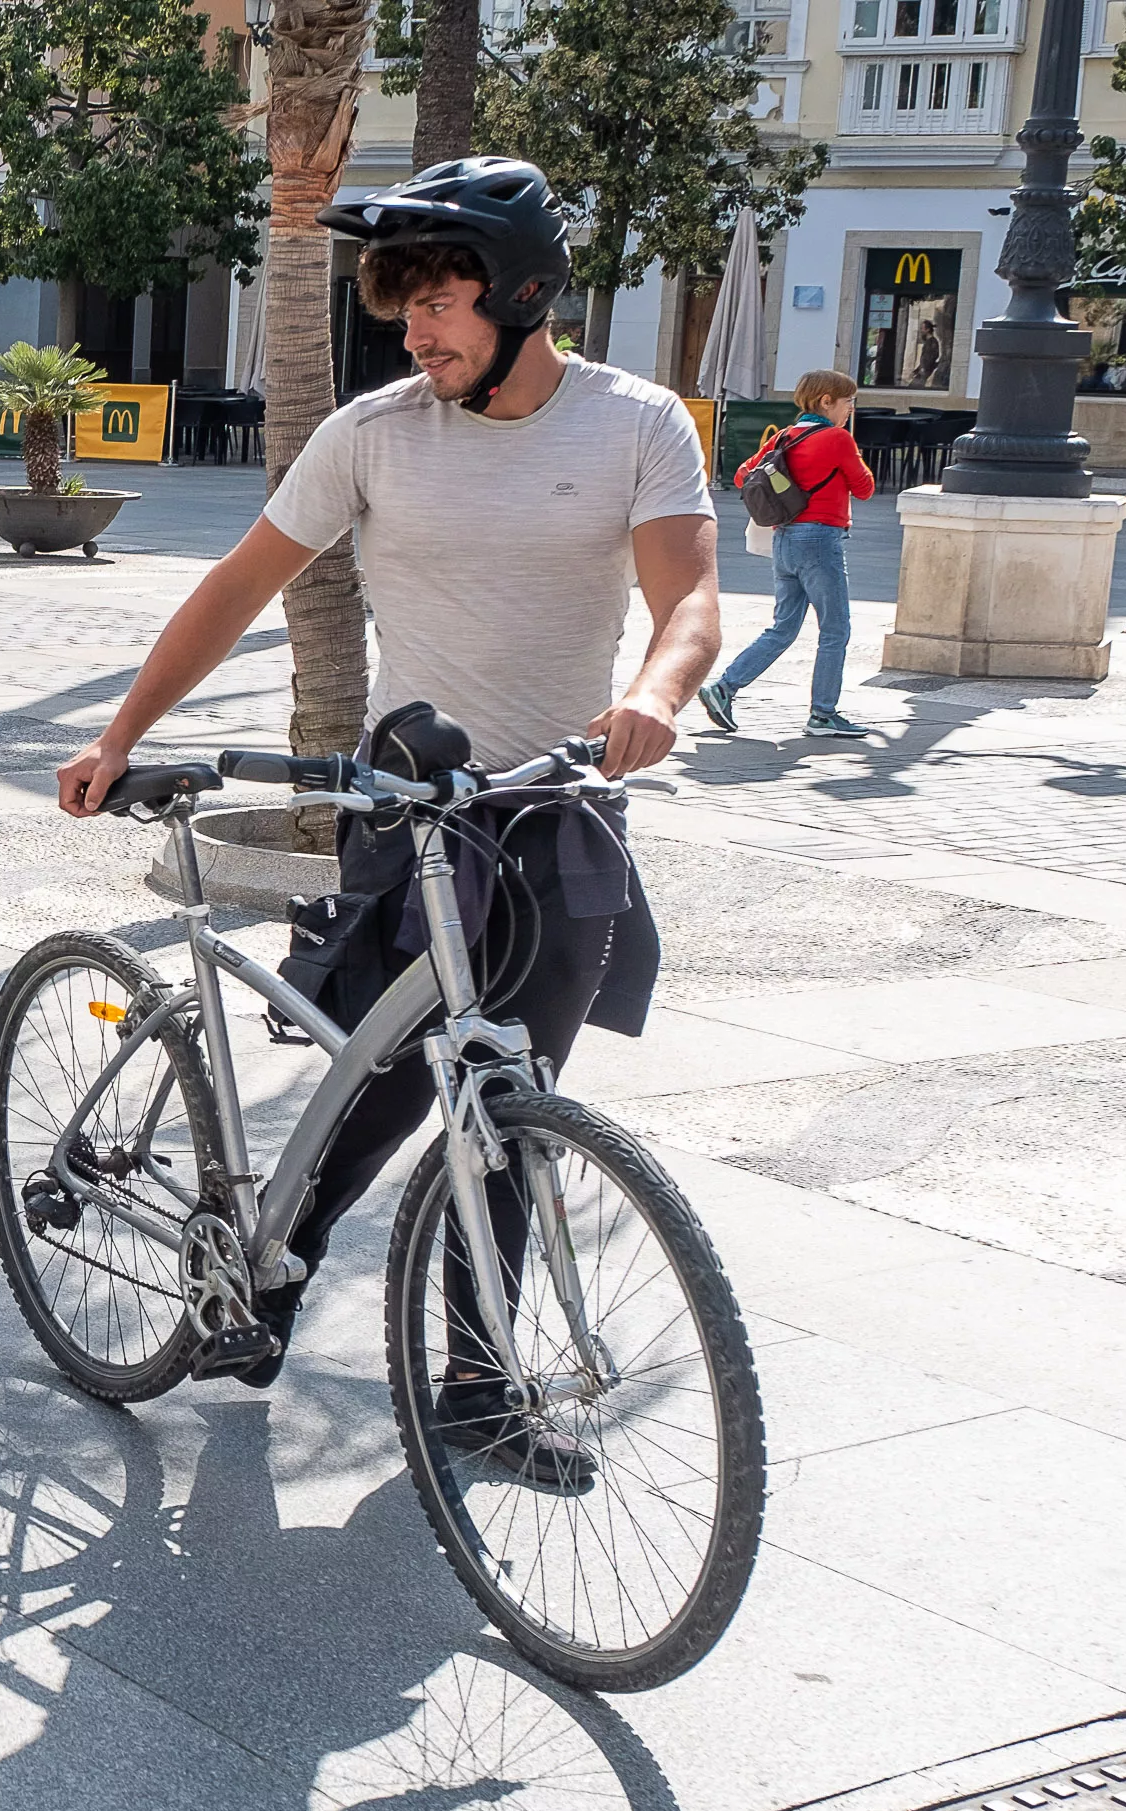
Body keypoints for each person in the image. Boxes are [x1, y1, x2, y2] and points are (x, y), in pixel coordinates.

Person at [54, 157, 719, 1475]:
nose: (414, 331)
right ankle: (266, 1276)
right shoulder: (369, 433)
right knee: (376, 1093)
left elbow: (687, 600)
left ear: (524, 294)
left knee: (511, 1101)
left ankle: (480, 1383)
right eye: (402, 304)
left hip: (552, 809)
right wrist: (117, 730)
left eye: (443, 299)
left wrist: (653, 691)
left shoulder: (635, 424)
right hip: (407, 808)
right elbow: (237, 585)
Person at [703, 370, 879, 741]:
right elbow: (864, 488)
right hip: (820, 540)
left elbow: (741, 476)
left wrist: (788, 485)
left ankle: (724, 687)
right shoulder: (837, 438)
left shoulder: (784, 437)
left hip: (784, 539)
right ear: (825, 400)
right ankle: (823, 713)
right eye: (848, 401)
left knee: (783, 627)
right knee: (835, 629)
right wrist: (853, 455)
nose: (851, 408)